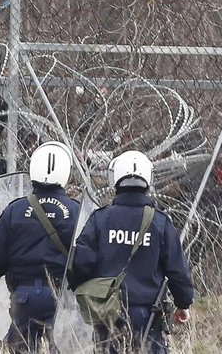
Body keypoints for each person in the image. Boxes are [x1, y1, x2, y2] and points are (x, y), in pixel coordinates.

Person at [68, 150, 194, 354]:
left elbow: (80, 263)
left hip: (107, 312)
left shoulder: (100, 219)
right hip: (148, 315)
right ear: (148, 180)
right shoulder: (160, 222)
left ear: (115, 179)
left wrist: (80, 291)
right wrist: (183, 303)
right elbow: (177, 271)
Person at [0, 141, 81, 353]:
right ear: (65, 171)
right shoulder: (76, 212)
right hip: (61, 297)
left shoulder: (15, 210)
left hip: (24, 296)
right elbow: (86, 258)